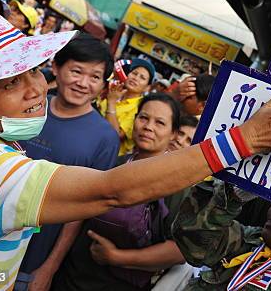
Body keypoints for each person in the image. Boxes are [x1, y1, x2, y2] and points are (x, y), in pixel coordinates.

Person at [0, 12, 271, 290]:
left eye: (35, 70)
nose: (36, 89)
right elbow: (111, 190)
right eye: (10, 83)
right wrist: (245, 140)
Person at [53, 94, 188, 291]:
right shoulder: (114, 164)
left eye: (159, 123)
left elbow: (179, 250)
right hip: (71, 277)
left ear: (174, 134)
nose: (148, 127)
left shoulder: (176, 184)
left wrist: (117, 258)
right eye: (143, 118)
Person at [16, 34, 119, 291]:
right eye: (76, 71)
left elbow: (80, 211)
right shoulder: (26, 107)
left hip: (32, 260)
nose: (83, 83)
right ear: (56, 67)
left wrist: (49, 267)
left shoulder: (105, 138)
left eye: (95, 77)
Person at [99, 58, 156, 156]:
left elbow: (115, 135)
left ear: (147, 87)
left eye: (142, 77)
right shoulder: (116, 92)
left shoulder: (141, 108)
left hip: (104, 155)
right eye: (134, 73)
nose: (135, 78)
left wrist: (111, 103)